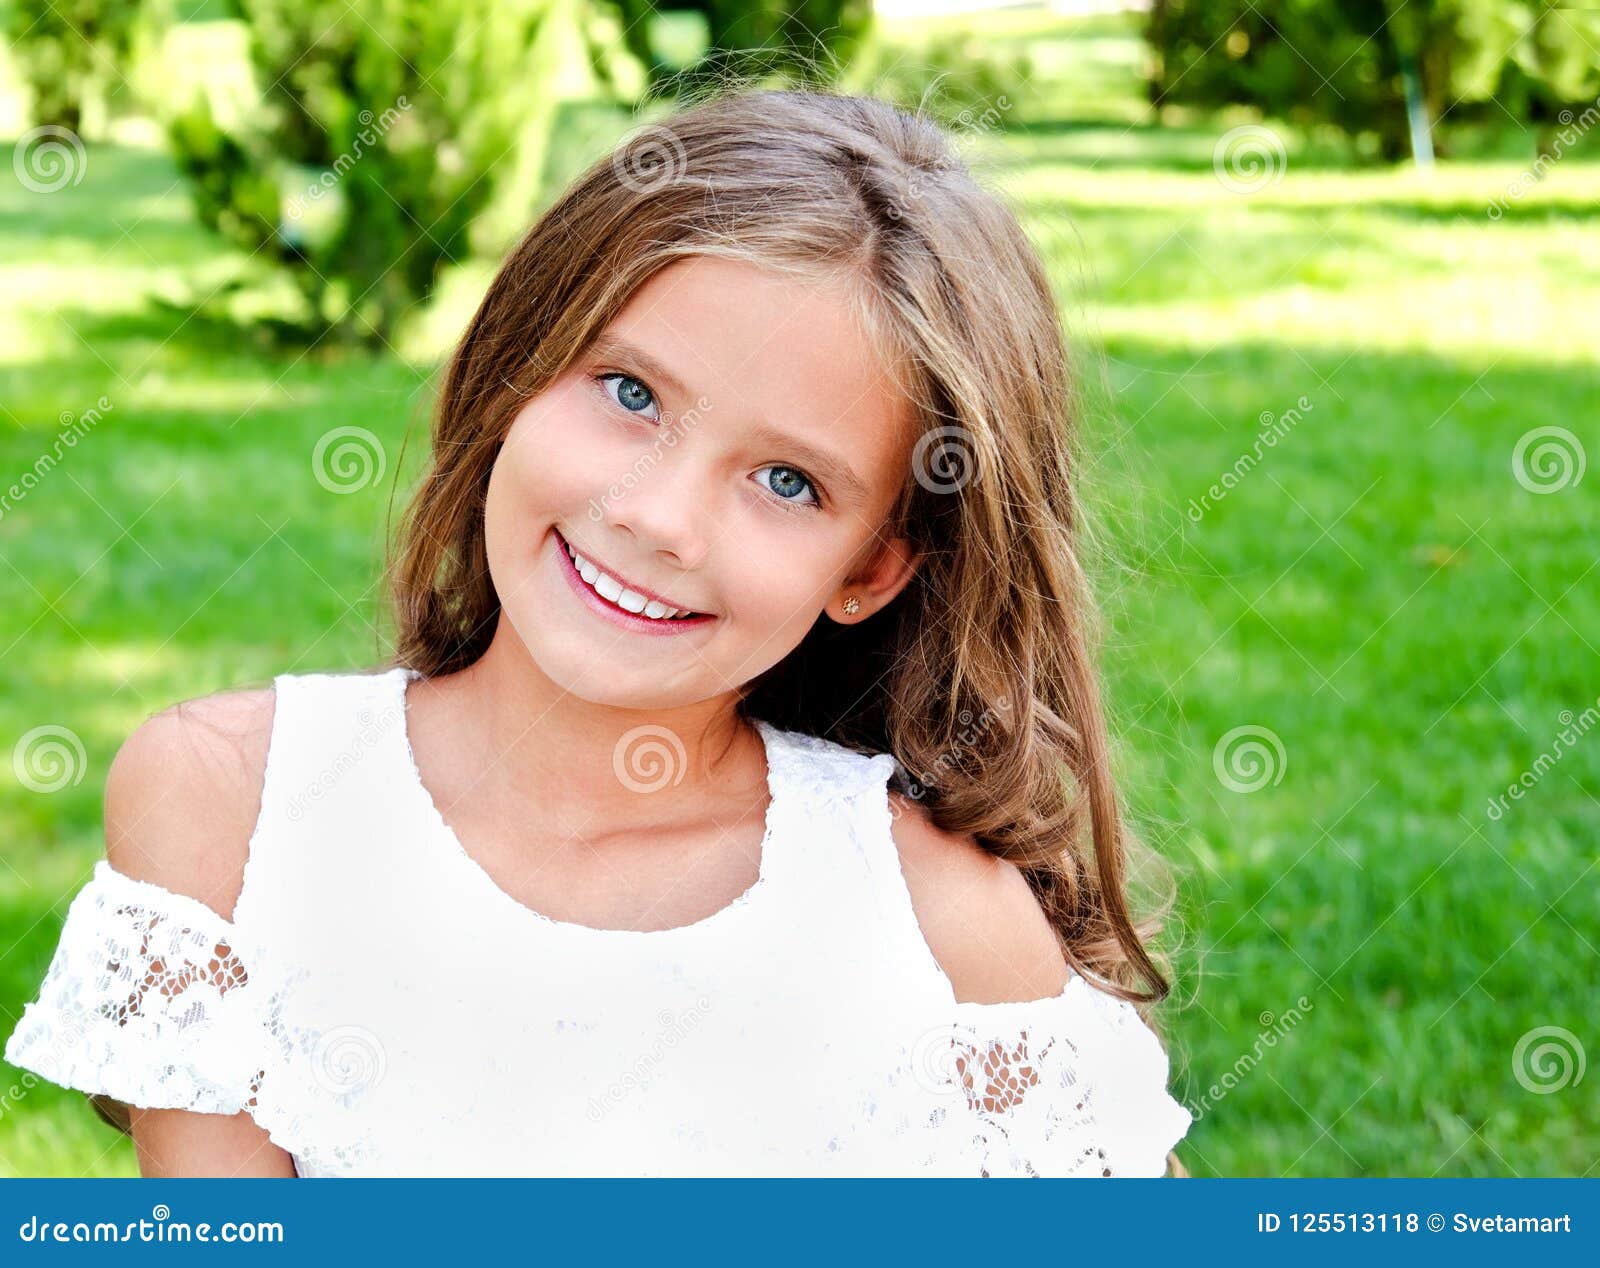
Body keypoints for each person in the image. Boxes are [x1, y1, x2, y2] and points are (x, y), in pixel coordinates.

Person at [5, 86, 1191, 1178]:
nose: (658, 517)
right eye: (630, 395)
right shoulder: (231, 807)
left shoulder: (933, 923)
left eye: (786, 481)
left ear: (872, 569)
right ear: (520, 369)